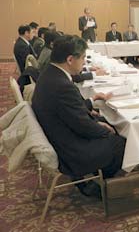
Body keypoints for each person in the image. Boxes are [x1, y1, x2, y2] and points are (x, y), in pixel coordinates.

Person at [32, 35, 126, 197]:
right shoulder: (61, 85)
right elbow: (83, 126)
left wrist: (90, 108)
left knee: (105, 121)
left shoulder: (51, 74)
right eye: (82, 58)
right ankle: (104, 188)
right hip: (69, 149)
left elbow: (69, 110)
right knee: (120, 142)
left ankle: (100, 175)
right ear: (70, 59)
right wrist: (103, 129)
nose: (84, 62)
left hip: (59, 133)